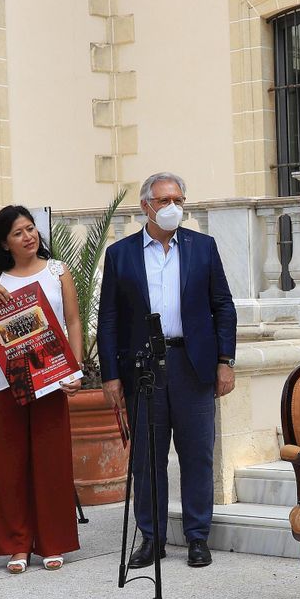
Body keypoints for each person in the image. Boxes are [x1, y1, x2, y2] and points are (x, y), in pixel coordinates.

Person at [98, 171, 238, 569]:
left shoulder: (202, 248)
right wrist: (110, 375)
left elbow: (223, 307)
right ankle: (152, 538)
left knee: (196, 454)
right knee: (147, 458)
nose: (173, 207)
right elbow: (108, 319)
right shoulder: (121, 254)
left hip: (192, 365)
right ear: (145, 206)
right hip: (143, 369)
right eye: (164, 201)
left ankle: (197, 537)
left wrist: (224, 362)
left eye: (178, 199)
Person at [0, 206, 82, 573]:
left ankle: (52, 542)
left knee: (51, 462)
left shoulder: (57, 271)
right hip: (7, 383)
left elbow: (73, 321)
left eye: (31, 229)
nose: (28, 237)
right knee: (8, 465)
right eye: (18, 233)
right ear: (4, 241)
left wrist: (75, 368)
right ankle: (17, 545)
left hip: (51, 378)